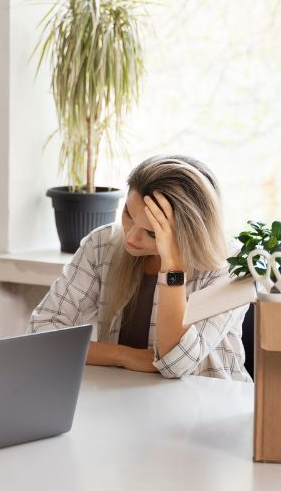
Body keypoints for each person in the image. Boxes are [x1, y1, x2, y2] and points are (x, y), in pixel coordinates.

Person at [29, 154, 250, 381]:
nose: (131, 237)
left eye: (152, 232)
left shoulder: (231, 265)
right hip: (123, 398)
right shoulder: (103, 244)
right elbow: (40, 334)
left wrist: (172, 267)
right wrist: (124, 356)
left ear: (189, 232)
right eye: (128, 214)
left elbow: (175, 363)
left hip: (210, 405)